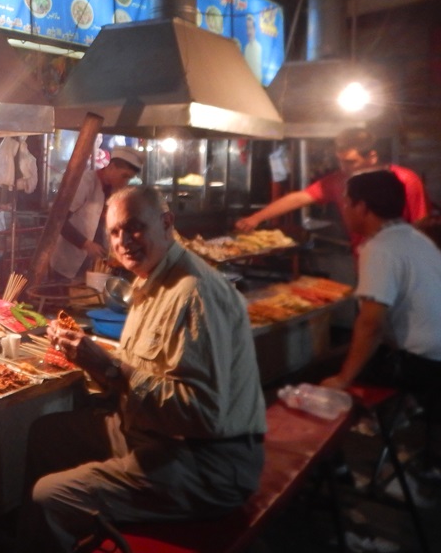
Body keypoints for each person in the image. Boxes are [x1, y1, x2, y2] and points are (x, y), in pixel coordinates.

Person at [24, 186, 266, 551]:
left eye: (134, 227)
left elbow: (203, 414)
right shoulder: (149, 281)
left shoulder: (193, 291)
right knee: (48, 433)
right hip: (150, 432)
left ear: (167, 222)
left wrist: (109, 369)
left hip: (207, 463)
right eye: (115, 232)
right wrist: (92, 364)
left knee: (50, 496)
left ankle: (66, 533)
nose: (123, 241)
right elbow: (140, 373)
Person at [320, 170, 441, 473]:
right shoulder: (416, 237)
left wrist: (343, 379)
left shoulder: (379, 248)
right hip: (435, 356)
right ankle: (395, 413)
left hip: (421, 363)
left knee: (315, 374)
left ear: (362, 207)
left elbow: (370, 324)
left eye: (347, 204)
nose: (344, 210)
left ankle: (333, 470)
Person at [236, 127, 429, 251]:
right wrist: (256, 218)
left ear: (372, 156)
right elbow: (300, 198)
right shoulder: (340, 180)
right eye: (340, 161)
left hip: (400, 262)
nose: (344, 168)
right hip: (363, 261)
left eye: (351, 162)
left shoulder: (405, 180)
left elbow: (421, 226)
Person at [50, 146, 144, 281]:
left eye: (129, 178)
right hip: (68, 261)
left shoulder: (115, 191)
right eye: (124, 176)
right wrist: (86, 244)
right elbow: (59, 220)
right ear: (111, 167)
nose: (125, 182)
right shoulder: (85, 182)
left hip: (97, 263)